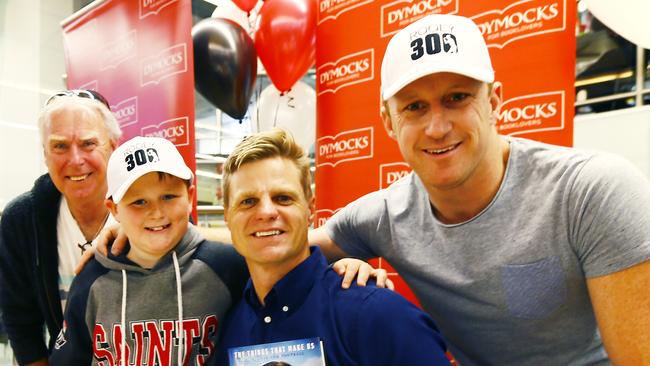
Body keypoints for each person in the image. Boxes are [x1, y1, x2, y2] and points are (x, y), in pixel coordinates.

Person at [308, 14, 650, 365]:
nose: (437, 127)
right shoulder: (384, 217)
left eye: (457, 97)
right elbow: (283, 251)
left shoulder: (592, 192)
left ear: (494, 101)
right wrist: (339, 271)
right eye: (414, 107)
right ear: (388, 121)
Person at [213, 129, 451, 366]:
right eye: (248, 201)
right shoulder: (229, 327)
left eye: (283, 198)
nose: (266, 212)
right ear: (227, 217)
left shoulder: (379, 316)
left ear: (309, 209)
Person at [49, 136, 249, 365]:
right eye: (139, 202)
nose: (156, 213)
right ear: (114, 209)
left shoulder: (226, 267)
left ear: (190, 197)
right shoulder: (93, 279)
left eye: (168, 197)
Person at [0, 90, 121, 366]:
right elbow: (20, 320)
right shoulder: (22, 220)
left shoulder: (146, 207)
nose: (75, 159)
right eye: (59, 146)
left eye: (89, 143)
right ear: (45, 154)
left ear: (113, 146)